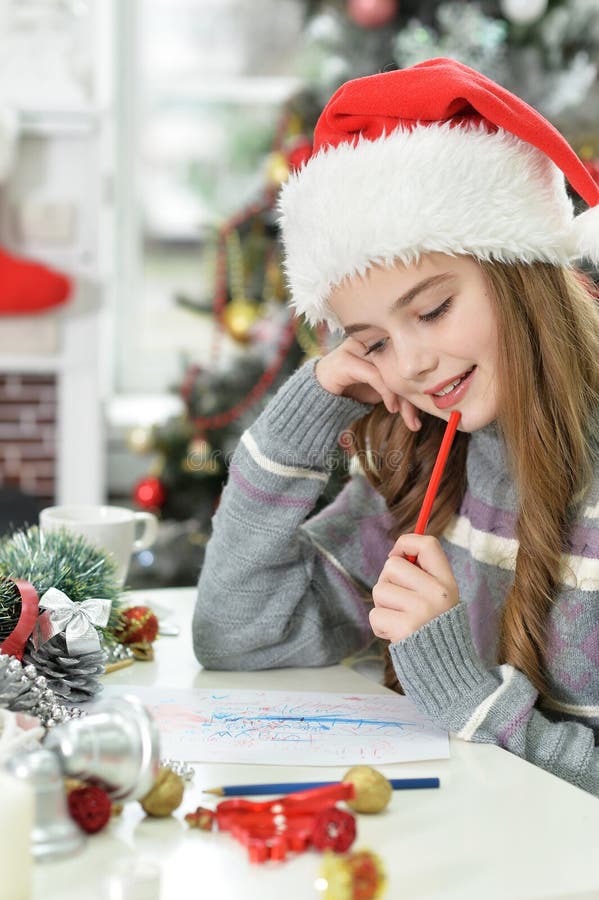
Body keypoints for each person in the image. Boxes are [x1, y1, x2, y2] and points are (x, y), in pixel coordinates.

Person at [193, 58, 599, 795]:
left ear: (522, 272)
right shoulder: (429, 457)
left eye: (433, 308)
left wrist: (469, 699)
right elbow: (242, 636)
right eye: (372, 342)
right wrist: (305, 411)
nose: (410, 365)